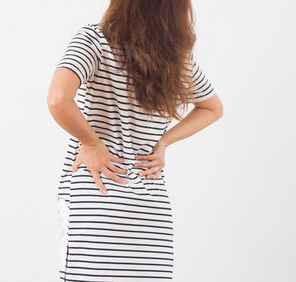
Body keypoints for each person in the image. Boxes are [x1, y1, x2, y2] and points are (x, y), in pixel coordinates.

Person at [47, 0, 223, 280]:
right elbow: (213, 107)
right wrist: (163, 142)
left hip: (96, 198)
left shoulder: (95, 40)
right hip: (151, 208)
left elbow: (58, 100)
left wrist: (91, 142)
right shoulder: (176, 59)